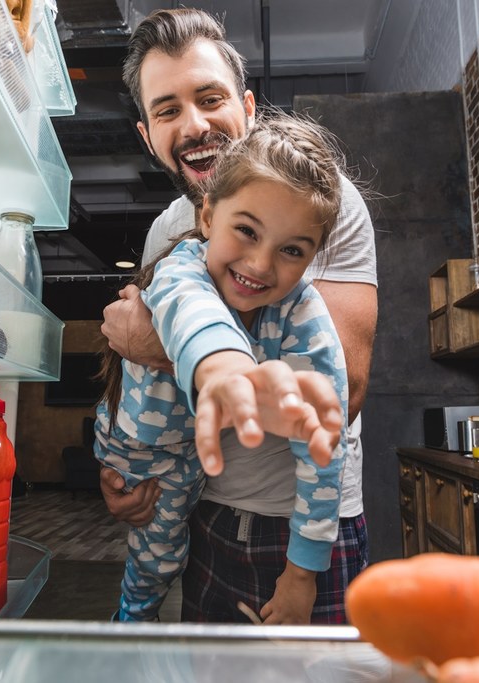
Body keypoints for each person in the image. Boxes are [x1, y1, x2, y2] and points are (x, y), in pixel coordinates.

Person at [100, 8, 378, 624]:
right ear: (149, 135)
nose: (194, 124)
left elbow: (346, 390)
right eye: (168, 109)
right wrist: (121, 466)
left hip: (308, 520)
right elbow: (141, 382)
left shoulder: (320, 202)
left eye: (209, 98)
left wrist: (163, 348)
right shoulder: (166, 235)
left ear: (247, 108)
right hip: (207, 504)